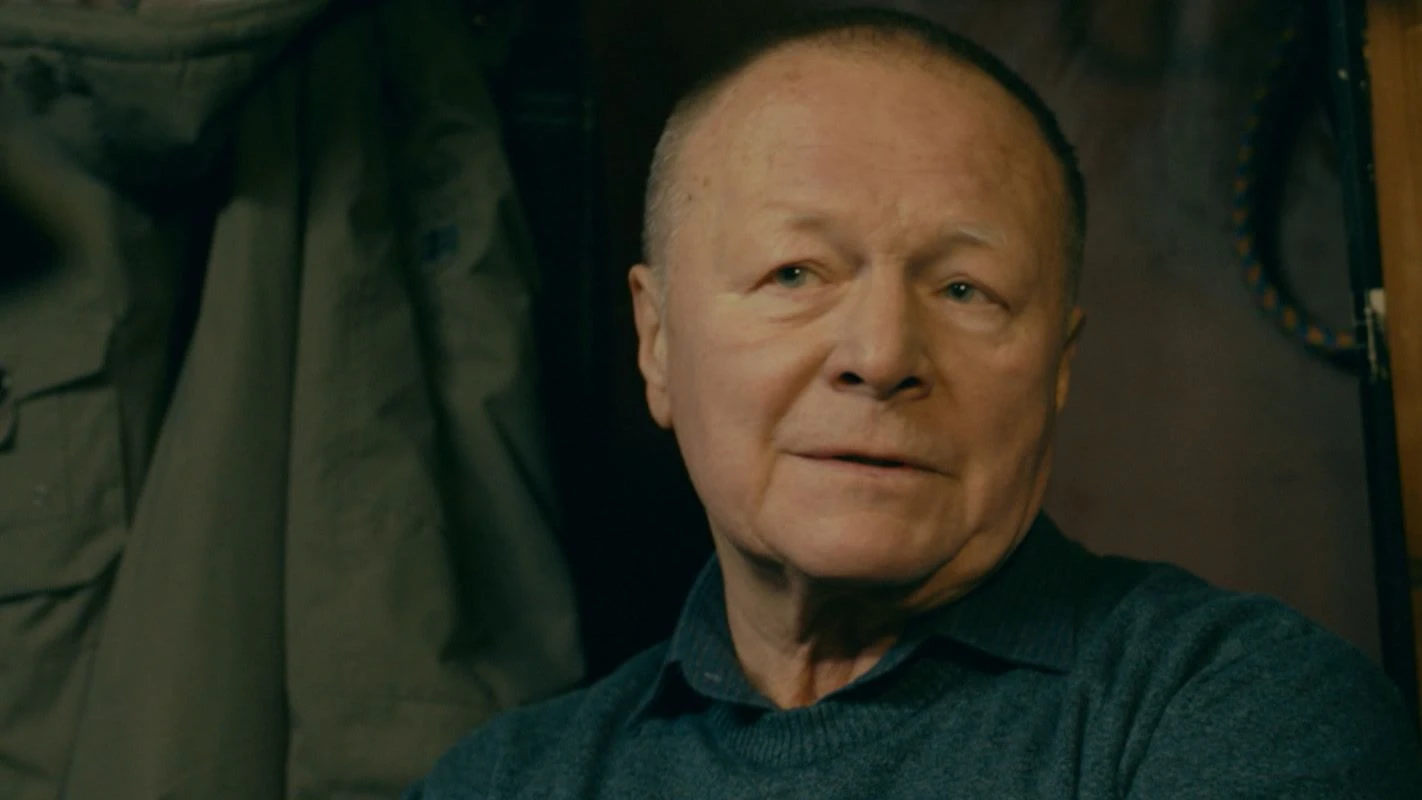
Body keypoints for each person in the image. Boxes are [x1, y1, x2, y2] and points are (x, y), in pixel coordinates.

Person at [407, 7, 1422, 798]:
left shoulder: (1233, 710)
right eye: (796, 273)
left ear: (1059, 366)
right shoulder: (505, 779)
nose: (882, 355)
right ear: (657, 339)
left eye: (966, 289)